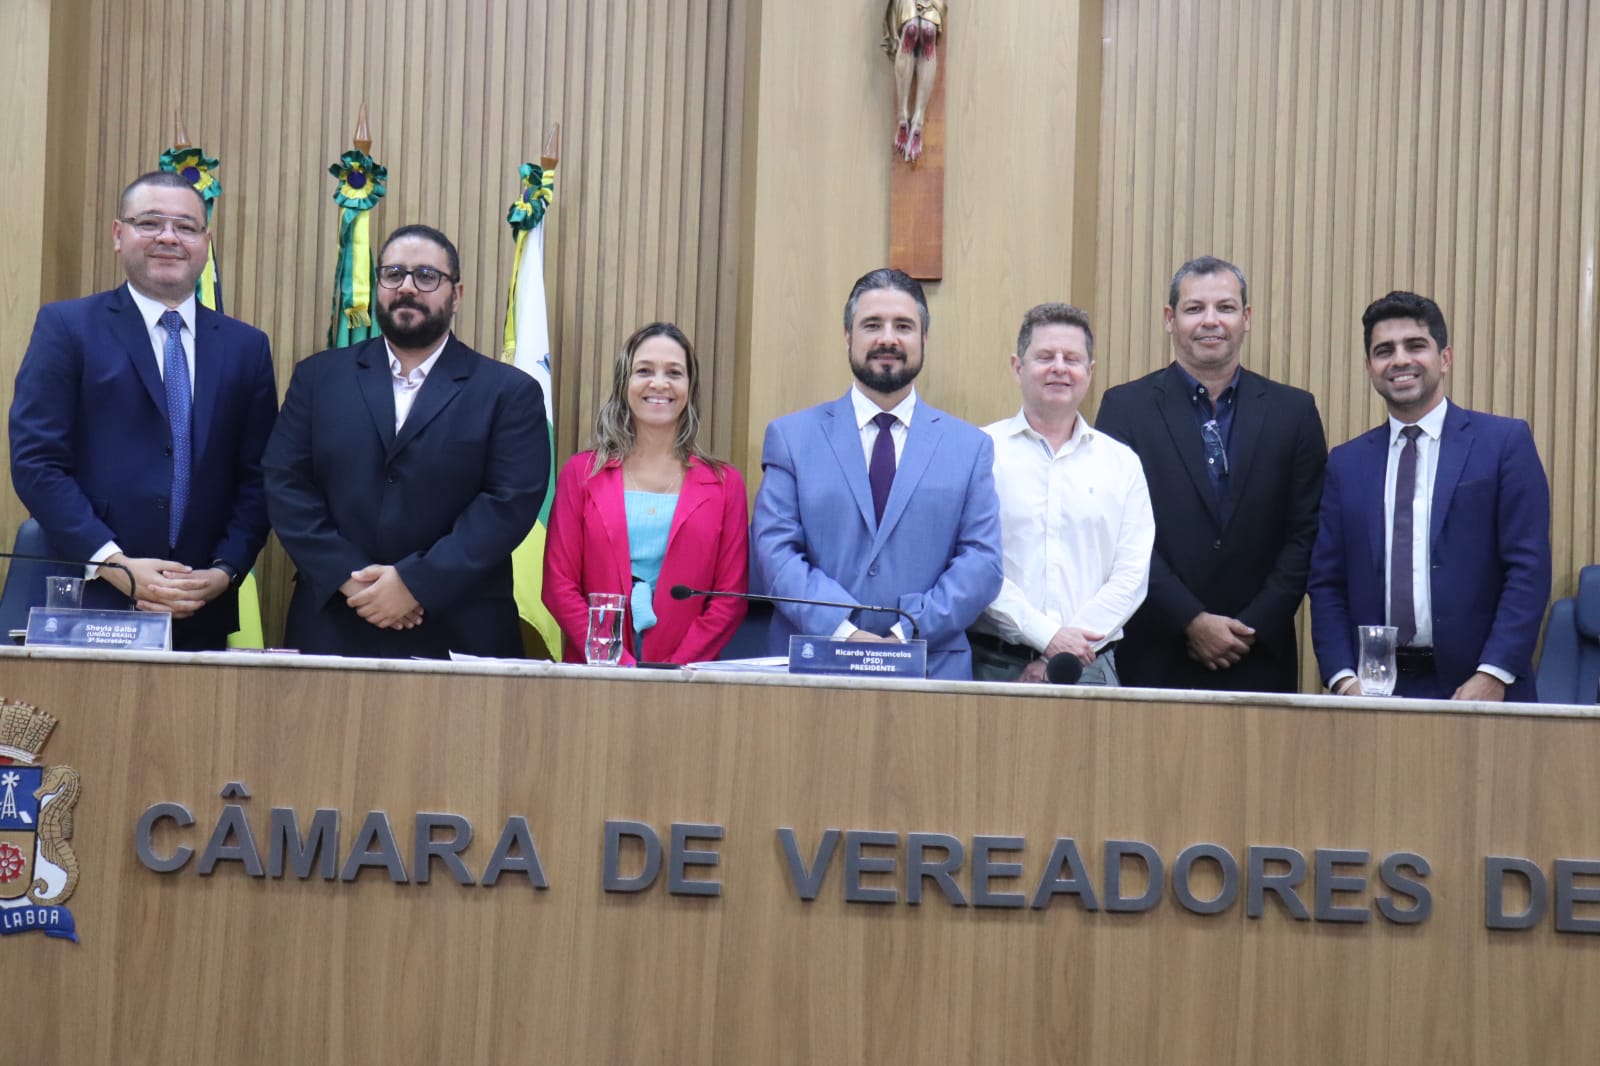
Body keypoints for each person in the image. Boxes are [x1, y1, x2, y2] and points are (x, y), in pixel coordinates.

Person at [9, 170, 277, 650]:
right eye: (150, 222)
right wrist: (113, 563)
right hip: (84, 601)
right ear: (118, 235)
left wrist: (225, 571)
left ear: (205, 241)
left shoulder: (247, 347)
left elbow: (258, 477)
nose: (168, 237)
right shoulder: (66, 327)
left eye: (186, 226)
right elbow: (37, 463)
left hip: (197, 608)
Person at [263, 224, 549, 658]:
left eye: (427, 276)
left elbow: (507, 505)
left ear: (457, 293)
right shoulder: (318, 378)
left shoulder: (509, 392)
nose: (407, 288)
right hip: (335, 618)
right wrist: (350, 578)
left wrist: (415, 583)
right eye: (393, 274)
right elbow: (286, 484)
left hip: (460, 627)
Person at [751, 267, 1003, 680]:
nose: (888, 338)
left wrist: (907, 630)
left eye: (903, 326)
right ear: (847, 337)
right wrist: (844, 631)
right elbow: (775, 551)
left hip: (931, 671)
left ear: (924, 339)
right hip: (811, 671)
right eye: (872, 325)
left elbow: (982, 562)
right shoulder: (791, 438)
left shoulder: (970, 448)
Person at [1095, 256, 1327, 693]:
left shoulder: (1294, 412)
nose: (1210, 321)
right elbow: (1118, 533)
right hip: (1155, 649)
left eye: (1225, 307)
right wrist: (1191, 620)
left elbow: (1306, 534)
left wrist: (1251, 626)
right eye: (1194, 308)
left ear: (1246, 318)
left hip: (1260, 651)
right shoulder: (1124, 409)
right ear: (1170, 319)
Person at [1309, 291, 1551, 701]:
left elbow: (1528, 568)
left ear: (1445, 358)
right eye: (1384, 351)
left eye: (1415, 345)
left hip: (1482, 688)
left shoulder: (1504, 443)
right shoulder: (1346, 463)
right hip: (1372, 694)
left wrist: (1493, 674)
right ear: (1369, 368)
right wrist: (1343, 679)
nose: (1399, 360)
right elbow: (1327, 583)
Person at [543, 322, 749, 664]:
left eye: (674, 372)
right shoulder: (582, 474)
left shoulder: (726, 485)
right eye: (644, 371)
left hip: (686, 680)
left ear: (689, 387)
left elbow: (729, 600)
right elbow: (559, 587)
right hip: (594, 676)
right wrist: (615, 662)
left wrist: (671, 673)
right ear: (625, 383)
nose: (659, 383)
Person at [970, 303, 1154, 684]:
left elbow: (1131, 576)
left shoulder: (1122, 463)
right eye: (1044, 356)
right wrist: (1046, 636)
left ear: (1090, 372)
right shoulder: (979, 452)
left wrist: (1066, 648)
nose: (1058, 367)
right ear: (1017, 367)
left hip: (1091, 668)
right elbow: (973, 563)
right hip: (994, 666)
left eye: (1071, 358)